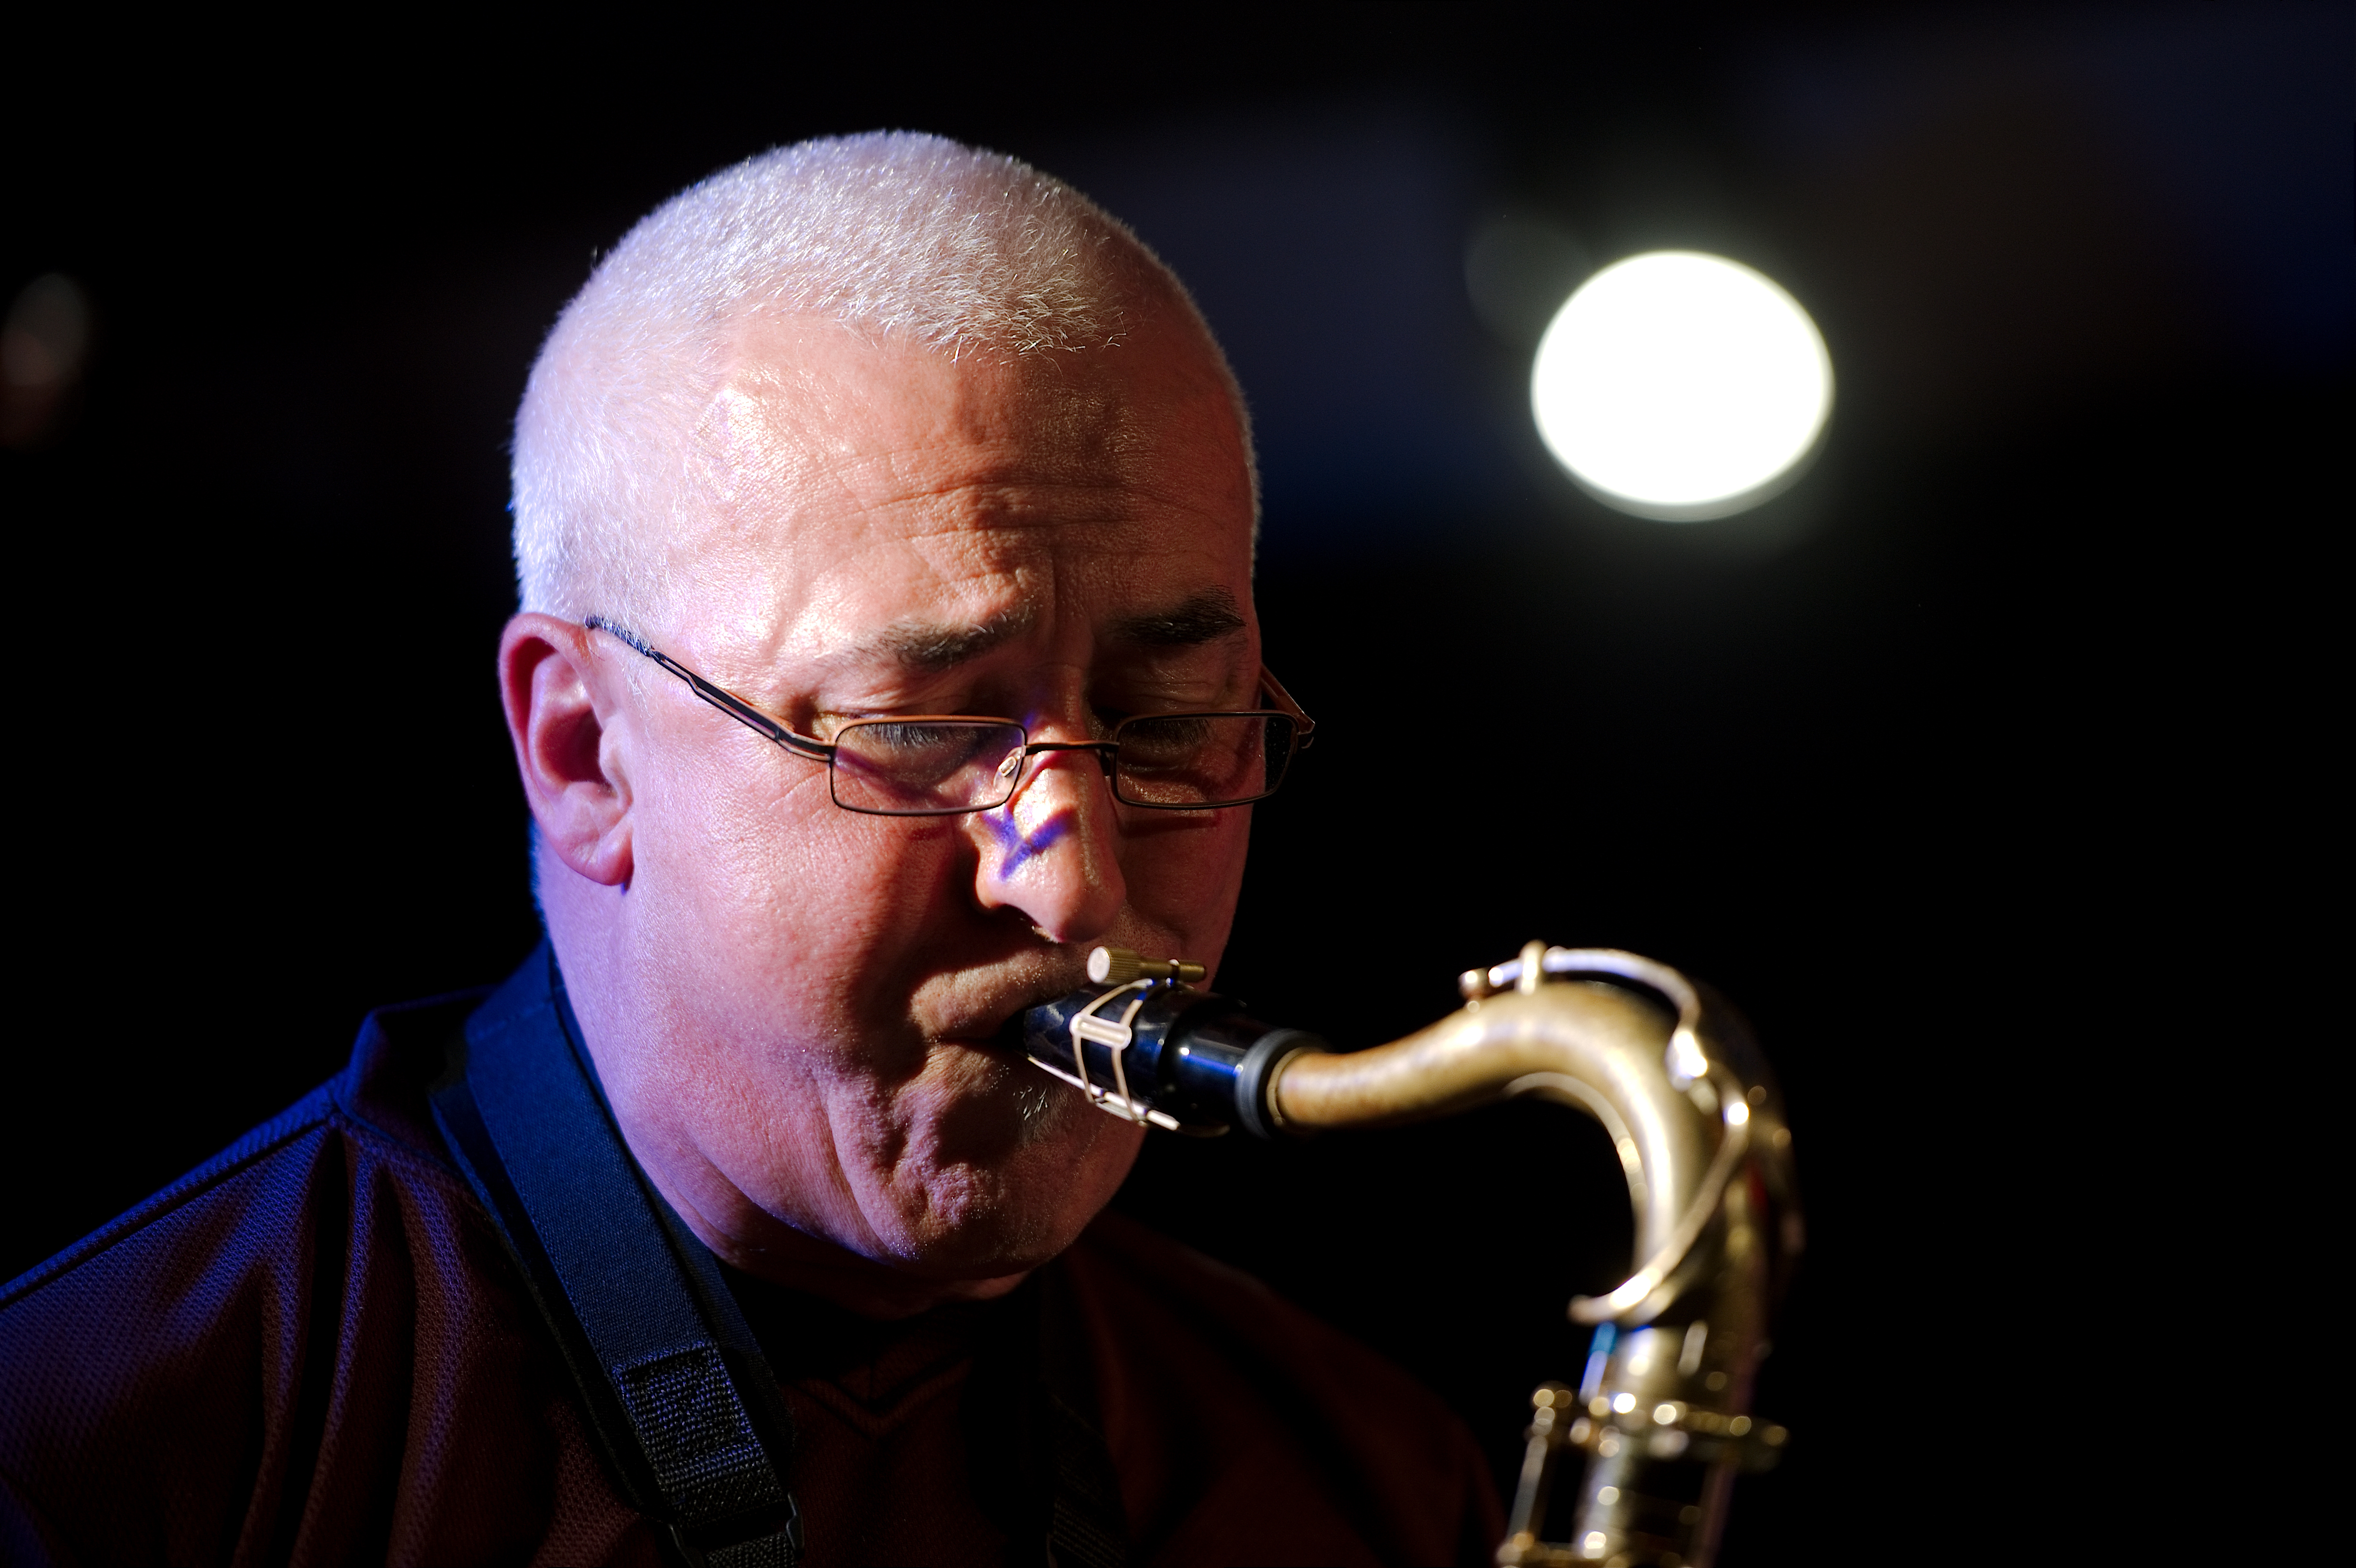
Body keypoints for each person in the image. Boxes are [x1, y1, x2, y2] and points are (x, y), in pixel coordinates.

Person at [0, 133, 1500, 1567]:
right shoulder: (104, 1463)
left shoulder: (1373, 1481)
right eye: (922, 729)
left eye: (1172, 720)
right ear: (585, 754)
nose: (1076, 887)